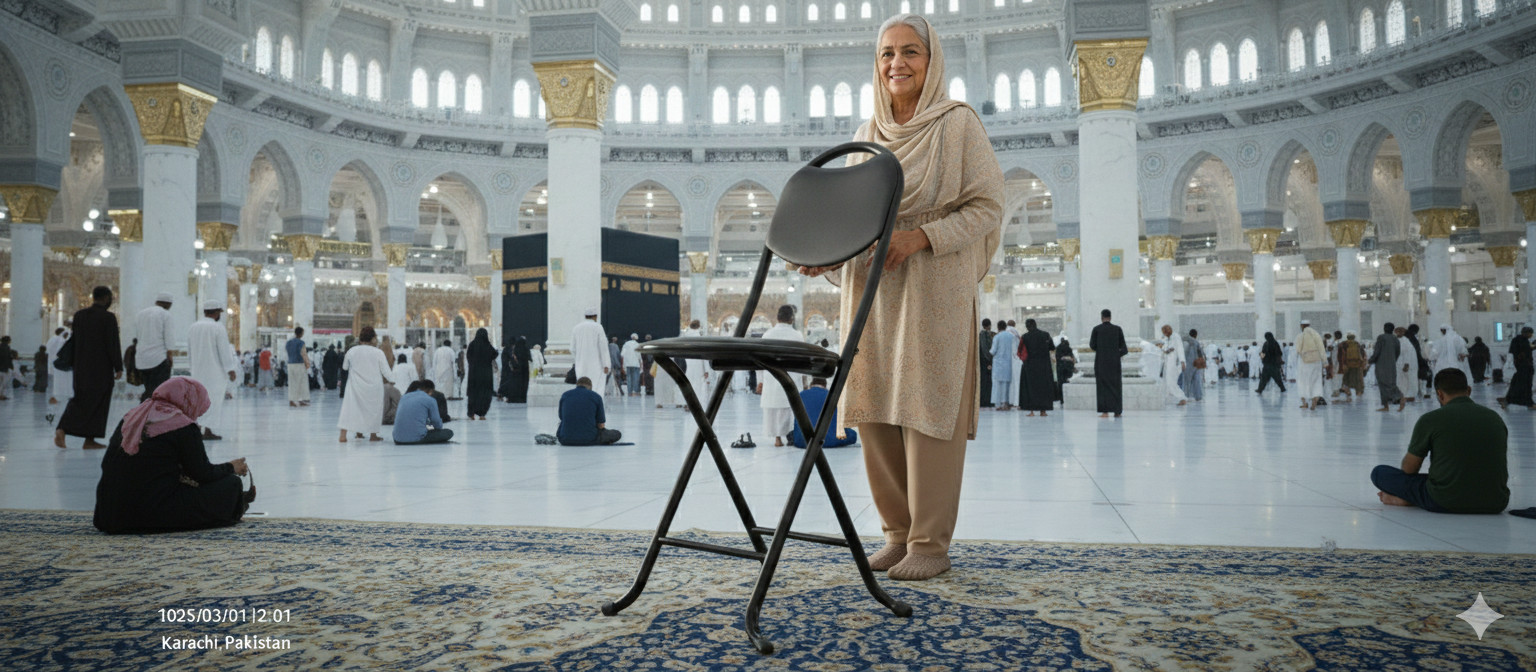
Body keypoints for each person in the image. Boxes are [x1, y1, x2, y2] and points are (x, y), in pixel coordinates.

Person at [796, 13, 1002, 582]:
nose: (897, 63)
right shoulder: (868, 134)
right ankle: (896, 533)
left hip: (934, 281)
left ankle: (930, 542)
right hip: (874, 288)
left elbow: (987, 205)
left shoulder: (957, 123)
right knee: (875, 402)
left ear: (932, 62)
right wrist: (828, 255)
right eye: (887, 53)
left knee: (927, 405)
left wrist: (922, 236)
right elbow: (854, 218)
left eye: (910, 51)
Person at [92, 377, 251, 534]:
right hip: (150, 511)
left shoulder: (132, 417)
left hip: (109, 514)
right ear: (189, 400)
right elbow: (202, 474)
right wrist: (231, 467)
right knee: (232, 484)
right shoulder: (182, 425)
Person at [1371, 369, 1509, 514]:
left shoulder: (1430, 419)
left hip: (1445, 499)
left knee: (1379, 473)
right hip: (1495, 501)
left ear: (1440, 394)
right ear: (1468, 390)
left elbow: (1409, 470)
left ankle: (1410, 499)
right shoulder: (1494, 418)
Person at [55, 287, 124, 450]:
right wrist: (118, 366)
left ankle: (79, 436)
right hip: (101, 368)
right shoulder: (108, 317)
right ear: (106, 298)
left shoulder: (79, 315)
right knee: (99, 402)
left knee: (80, 399)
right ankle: (76, 434)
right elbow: (113, 343)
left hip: (81, 367)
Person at [186, 301, 238, 441]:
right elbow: (224, 350)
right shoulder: (217, 327)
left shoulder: (193, 327)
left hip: (197, 372)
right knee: (212, 401)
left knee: (198, 401)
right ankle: (207, 430)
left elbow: (189, 350)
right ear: (215, 313)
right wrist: (230, 369)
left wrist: (191, 368)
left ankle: (197, 429)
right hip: (215, 373)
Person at [337, 326, 395, 443]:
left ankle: (344, 435)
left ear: (360, 338)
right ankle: (373, 435)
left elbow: (345, 367)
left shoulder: (352, 351)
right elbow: (386, 371)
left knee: (350, 409)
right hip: (374, 387)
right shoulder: (378, 352)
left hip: (355, 386)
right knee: (373, 411)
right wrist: (392, 380)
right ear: (373, 338)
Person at [759, 305, 805, 446]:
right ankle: (790, 435)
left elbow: (759, 360)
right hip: (791, 378)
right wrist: (804, 380)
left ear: (777, 318)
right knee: (789, 409)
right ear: (791, 319)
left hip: (771, 378)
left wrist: (760, 381)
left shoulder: (767, 335)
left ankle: (777, 439)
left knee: (773, 410)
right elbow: (803, 360)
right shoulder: (797, 336)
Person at [790, 378, 859, 448]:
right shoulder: (833, 396)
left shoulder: (800, 395)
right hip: (829, 440)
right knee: (852, 434)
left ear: (811, 383)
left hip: (802, 442)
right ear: (825, 385)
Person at [133, 292, 176, 401]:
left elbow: (137, 336)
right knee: (160, 392)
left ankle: (145, 408)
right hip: (158, 360)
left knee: (149, 389)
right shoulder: (165, 314)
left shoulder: (141, 314)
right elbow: (169, 338)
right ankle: (150, 409)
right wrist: (170, 356)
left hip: (141, 360)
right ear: (168, 304)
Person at [557, 376, 621, 446]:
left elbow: (561, 417)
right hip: (590, 439)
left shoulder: (565, 395)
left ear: (577, 385)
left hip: (565, 439)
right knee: (617, 434)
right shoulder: (596, 396)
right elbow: (601, 423)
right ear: (590, 387)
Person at [1089, 309, 1128, 418]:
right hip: (1114, 363)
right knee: (1116, 386)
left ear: (1102, 318)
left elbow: (1092, 345)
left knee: (1102, 386)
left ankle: (1105, 412)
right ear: (1110, 318)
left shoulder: (1096, 329)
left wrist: (1102, 350)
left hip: (1101, 362)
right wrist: (1116, 354)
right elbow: (1124, 349)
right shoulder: (1117, 329)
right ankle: (1117, 412)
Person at [394, 380, 454, 444]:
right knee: (449, 432)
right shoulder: (430, 400)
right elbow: (436, 422)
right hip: (416, 438)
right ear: (431, 391)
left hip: (397, 439)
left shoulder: (404, 397)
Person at [1018, 319, 1054, 416]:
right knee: (1043, 388)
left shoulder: (1025, 337)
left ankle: (1032, 411)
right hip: (1044, 366)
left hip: (1030, 366)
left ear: (1027, 327)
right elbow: (1052, 347)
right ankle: (1043, 411)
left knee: (1030, 388)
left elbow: (1020, 351)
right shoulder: (1046, 335)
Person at [1368, 323, 1405, 412]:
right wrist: (1393, 360)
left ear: (1384, 328)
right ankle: (1387, 405)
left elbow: (1377, 351)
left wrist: (1371, 360)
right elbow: (1397, 352)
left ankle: (1398, 398)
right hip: (1391, 364)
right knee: (1391, 382)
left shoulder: (1381, 338)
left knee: (1383, 384)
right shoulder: (1395, 339)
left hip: (1381, 364)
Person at [571, 307, 609, 391]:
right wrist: (606, 364)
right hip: (596, 364)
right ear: (595, 316)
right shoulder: (598, 327)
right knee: (596, 387)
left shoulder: (576, 328)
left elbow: (572, 348)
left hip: (581, 365)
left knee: (582, 385)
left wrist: (577, 359)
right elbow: (603, 348)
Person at [1497, 326, 1535, 410]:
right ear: (1527, 333)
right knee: (1524, 385)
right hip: (1524, 367)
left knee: (1517, 384)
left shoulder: (1518, 340)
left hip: (1521, 367)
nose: (1531, 335)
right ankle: (1528, 403)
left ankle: (1509, 400)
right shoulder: (1521, 340)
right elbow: (1526, 351)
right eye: (1531, 333)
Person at [464, 328, 497, 420]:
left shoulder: (472, 344)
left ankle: (471, 413)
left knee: (473, 393)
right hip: (485, 373)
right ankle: (482, 414)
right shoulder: (487, 345)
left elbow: (468, 357)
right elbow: (494, 354)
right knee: (485, 393)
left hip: (474, 373)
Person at [1295, 319, 1326, 410]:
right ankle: (1314, 402)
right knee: (1316, 382)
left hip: (1304, 362)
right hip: (1316, 361)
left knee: (1303, 382)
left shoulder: (1300, 336)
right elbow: (1322, 349)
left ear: (1301, 326)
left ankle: (1304, 403)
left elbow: (1297, 349)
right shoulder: (1316, 335)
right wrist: (1325, 361)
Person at [988, 321, 1017, 411]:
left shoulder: (997, 337)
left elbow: (993, 350)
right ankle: (1005, 403)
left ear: (998, 328)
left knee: (997, 384)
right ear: (1005, 327)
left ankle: (998, 404)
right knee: (1006, 384)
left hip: (998, 363)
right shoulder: (1011, 336)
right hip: (1008, 363)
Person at [1158, 324, 1188, 406]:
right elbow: (1164, 348)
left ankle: (1182, 398)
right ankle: (1166, 398)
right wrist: (1165, 350)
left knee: (1171, 382)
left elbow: (1180, 349)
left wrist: (1182, 361)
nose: (1165, 334)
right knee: (1166, 381)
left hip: (1174, 363)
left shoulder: (1176, 336)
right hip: (1167, 363)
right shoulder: (1165, 338)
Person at [284, 327, 311, 408]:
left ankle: (292, 400)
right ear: (301, 333)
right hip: (299, 364)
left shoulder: (288, 342)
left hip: (290, 364)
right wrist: (307, 363)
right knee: (301, 382)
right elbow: (304, 354)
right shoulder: (301, 343)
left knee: (292, 382)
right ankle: (300, 399)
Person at [1337, 332, 1366, 401]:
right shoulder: (1357, 344)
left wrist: (1342, 364)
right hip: (1357, 364)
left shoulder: (1343, 344)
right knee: (1358, 379)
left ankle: (1347, 391)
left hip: (1347, 364)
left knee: (1346, 379)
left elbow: (1340, 355)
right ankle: (1359, 392)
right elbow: (1362, 354)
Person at [46, 326, 72, 404]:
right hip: (60, 364)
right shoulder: (61, 340)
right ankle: (59, 396)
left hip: (53, 363)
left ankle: (56, 396)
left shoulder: (52, 339)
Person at [503, 336, 532, 403]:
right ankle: (523, 398)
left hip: (517, 369)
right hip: (524, 369)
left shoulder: (516, 349)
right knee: (524, 384)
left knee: (515, 383)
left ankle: (514, 398)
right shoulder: (526, 349)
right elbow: (530, 358)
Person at [1406, 324, 1430, 399]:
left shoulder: (1405, 337)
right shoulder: (1412, 339)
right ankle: (1422, 392)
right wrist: (1422, 361)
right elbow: (1416, 352)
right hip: (1413, 361)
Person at [1180, 328, 1204, 401]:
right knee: (1197, 381)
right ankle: (1198, 396)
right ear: (1195, 335)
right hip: (1196, 364)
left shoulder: (1184, 342)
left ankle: (1185, 396)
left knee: (1186, 382)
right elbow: (1200, 353)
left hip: (1187, 364)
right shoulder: (1196, 342)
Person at [977, 318, 994, 408]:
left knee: (983, 381)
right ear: (989, 325)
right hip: (986, 362)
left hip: (981, 361)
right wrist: (989, 361)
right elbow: (986, 349)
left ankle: (983, 400)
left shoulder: (980, 335)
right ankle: (987, 400)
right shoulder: (986, 335)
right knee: (987, 382)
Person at [1054, 338, 1075, 403]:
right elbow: (1072, 358)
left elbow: (1057, 358)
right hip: (1068, 367)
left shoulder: (1058, 349)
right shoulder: (1069, 349)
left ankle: (1062, 399)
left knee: (1060, 383)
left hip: (1060, 368)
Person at [0, 335, 16, 400]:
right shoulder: (7, 348)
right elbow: (9, 358)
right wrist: (11, 366)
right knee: (3, 382)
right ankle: (1, 395)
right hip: (4, 367)